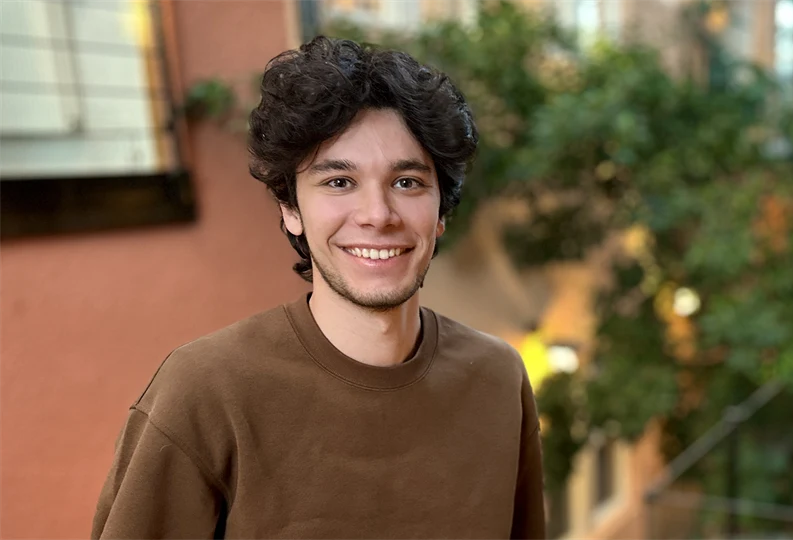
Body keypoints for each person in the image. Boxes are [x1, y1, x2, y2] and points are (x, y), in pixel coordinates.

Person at [91, 36, 545, 539]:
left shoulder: (498, 380)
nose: (377, 215)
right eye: (338, 182)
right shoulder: (204, 391)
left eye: (407, 182)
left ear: (440, 212)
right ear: (291, 210)